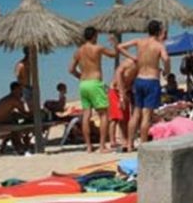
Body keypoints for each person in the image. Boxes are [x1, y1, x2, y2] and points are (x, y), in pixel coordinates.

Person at [118, 20, 170, 151]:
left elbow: (119, 47)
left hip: (139, 79)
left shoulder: (139, 42)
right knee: (146, 115)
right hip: (151, 80)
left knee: (135, 113)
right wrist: (167, 71)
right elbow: (166, 59)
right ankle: (143, 145)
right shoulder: (159, 46)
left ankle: (129, 144)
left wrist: (133, 57)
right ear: (158, 31)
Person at [69, 27, 117, 152]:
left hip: (84, 84)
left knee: (86, 115)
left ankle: (89, 146)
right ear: (94, 36)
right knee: (103, 114)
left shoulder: (78, 51)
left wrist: (80, 76)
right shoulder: (98, 48)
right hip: (95, 82)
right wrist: (115, 43)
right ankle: (101, 146)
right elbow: (114, 54)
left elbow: (71, 69)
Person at [0, 82, 32, 154]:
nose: (22, 91)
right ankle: (20, 148)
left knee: (14, 123)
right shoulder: (13, 99)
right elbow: (25, 113)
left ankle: (6, 148)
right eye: (21, 89)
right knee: (17, 129)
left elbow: (15, 113)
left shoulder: (8, 98)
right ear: (16, 89)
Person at [108, 58, 137, 152]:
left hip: (126, 91)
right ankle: (113, 141)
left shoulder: (140, 67)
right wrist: (121, 94)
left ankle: (125, 139)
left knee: (125, 117)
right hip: (116, 91)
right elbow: (119, 73)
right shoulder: (129, 63)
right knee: (115, 117)